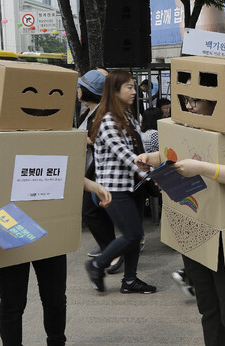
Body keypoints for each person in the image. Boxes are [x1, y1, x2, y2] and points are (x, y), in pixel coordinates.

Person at [136, 95, 225, 346]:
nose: (189, 106)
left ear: (217, 102)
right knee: (208, 310)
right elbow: (179, 155)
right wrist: (154, 159)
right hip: (196, 227)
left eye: (196, 101)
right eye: (186, 100)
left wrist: (203, 169)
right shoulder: (190, 129)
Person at [0, 167, 111, 346]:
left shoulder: (50, 137)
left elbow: (61, 172)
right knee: (12, 303)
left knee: (55, 298)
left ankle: (56, 342)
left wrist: (94, 187)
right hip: (7, 227)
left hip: (48, 227)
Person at [85, 70, 156, 294]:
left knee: (134, 235)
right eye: (129, 87)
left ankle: (130, 280)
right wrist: (153, 175)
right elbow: (125, 155)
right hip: (114, 189)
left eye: (134, 87)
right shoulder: (106, 120)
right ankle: (97, 264)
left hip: (132, 185)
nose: (134, 91)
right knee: (133, 234)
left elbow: (139, 149)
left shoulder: (127, 116)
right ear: (115, 91)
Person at [76, 70, 123, 274]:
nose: (77, 90)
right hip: (92, 170)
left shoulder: (102, 114)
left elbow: (105, 141)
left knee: (91, 211)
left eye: (80, 86)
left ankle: (114, 252)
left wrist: (84, 140)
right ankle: (111, 250)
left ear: (88, 91)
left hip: (100, 170)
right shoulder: (91, 111)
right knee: (94, 211)